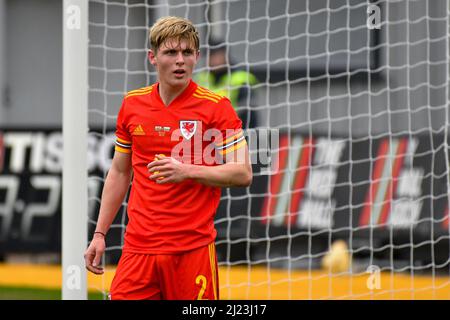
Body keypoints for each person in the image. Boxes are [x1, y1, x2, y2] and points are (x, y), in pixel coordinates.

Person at [84, 16, 252, 300]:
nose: (180, 61)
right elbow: (120, 172)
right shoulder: (132, 104)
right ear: (152, 57)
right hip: (138, 251)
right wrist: (99, 234)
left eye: (187, 53)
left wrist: (187, 170)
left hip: (192, 251)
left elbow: (243, 173)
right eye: (171, 52)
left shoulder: (217, 107)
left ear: (197, 57)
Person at [195, 39, 259, 129]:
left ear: (225, 56)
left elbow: (248, 114)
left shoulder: (241, 78)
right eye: (211, 56)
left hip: (236, 131)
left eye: (217, 55)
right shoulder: (202, 78)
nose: (214, 60)